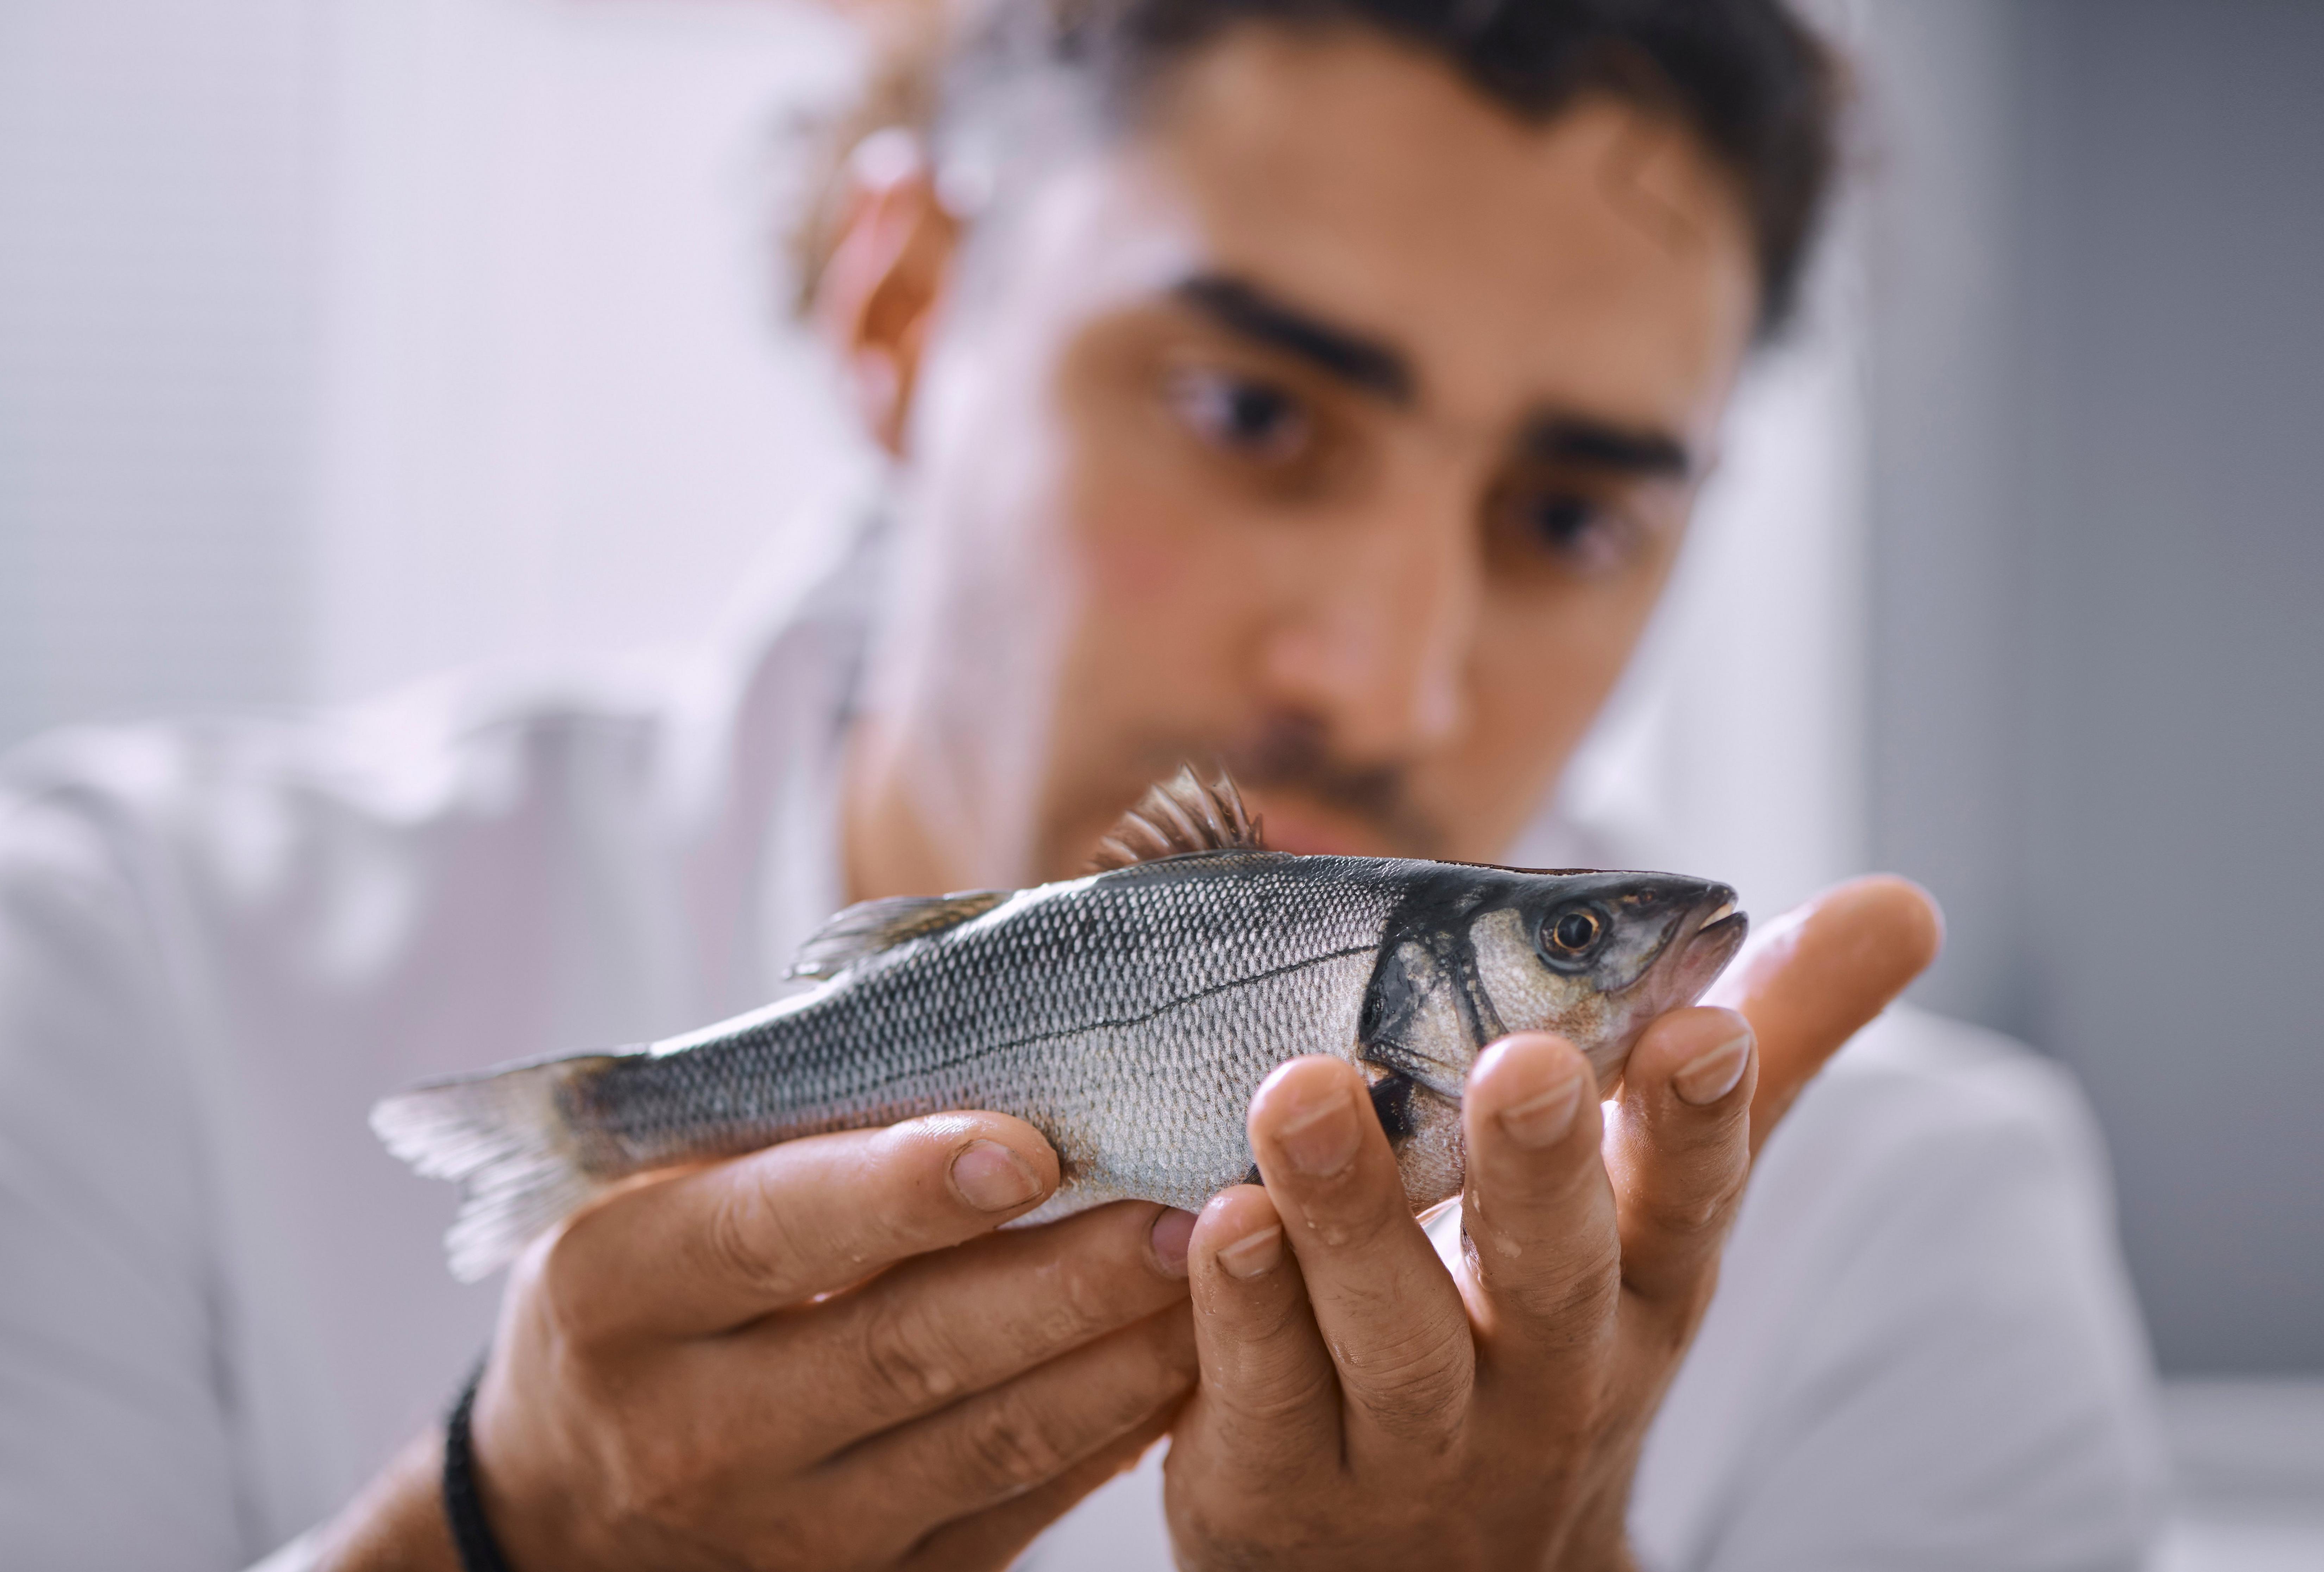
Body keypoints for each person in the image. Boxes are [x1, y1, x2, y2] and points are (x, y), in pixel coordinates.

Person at [0, 2, 2165, 1568]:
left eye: (1570, 518)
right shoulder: (114, 959)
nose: (1380, 674)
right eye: (1250, 411)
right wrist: (494, 1537)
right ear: (903, 307)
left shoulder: (1911, 1234)